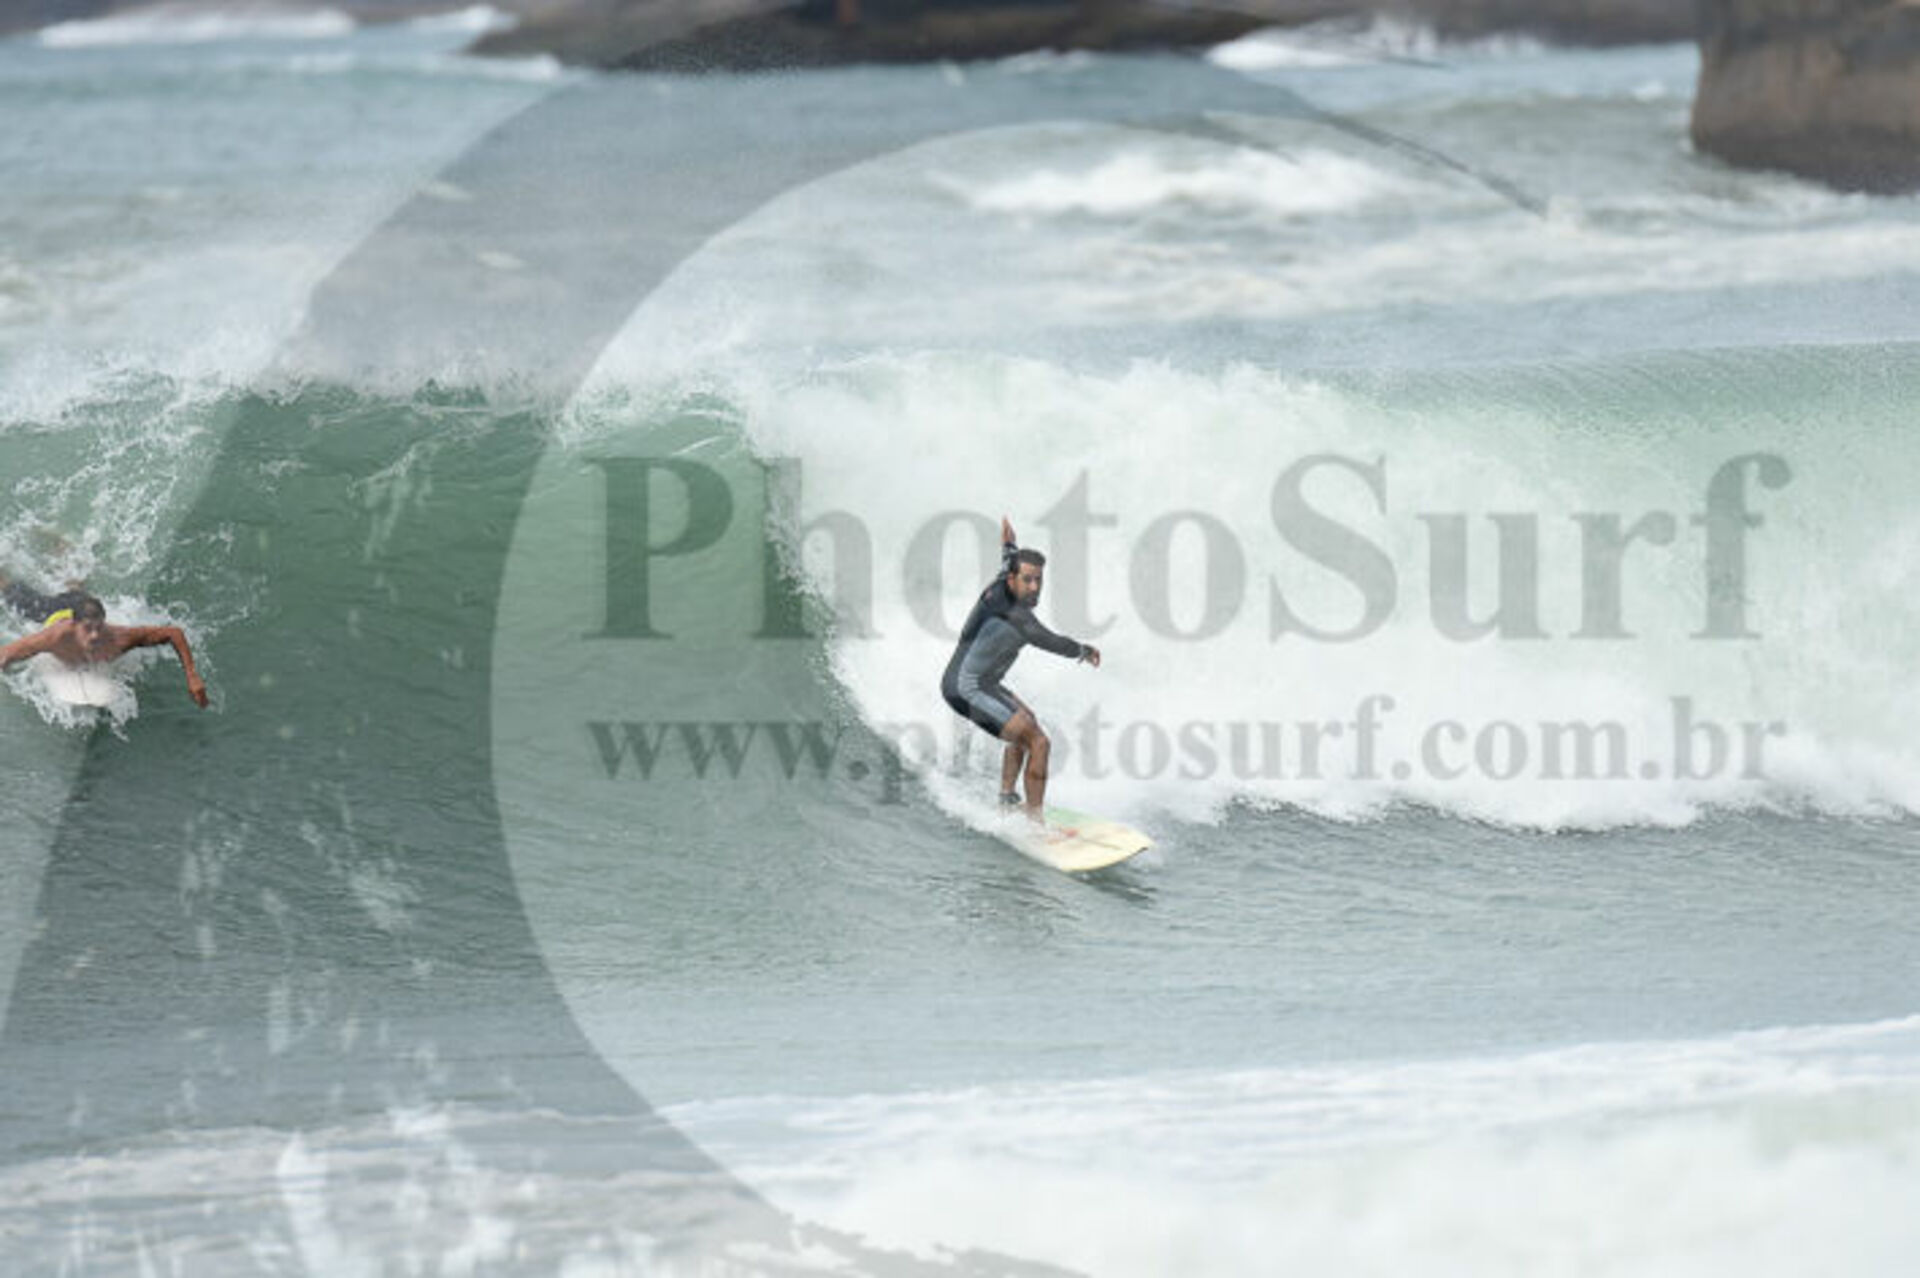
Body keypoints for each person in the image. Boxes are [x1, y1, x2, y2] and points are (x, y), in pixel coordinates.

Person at [941, 517, 1100, 819]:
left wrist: (1009, 542)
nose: (1034, 587)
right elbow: (1050, 641)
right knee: (1038, 742)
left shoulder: (1006, 576)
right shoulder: (1014, 614)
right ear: (1013, 580)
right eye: (1027, 580)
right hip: (965, 688)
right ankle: (1035, 822)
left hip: (984, 683)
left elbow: (1008, 557)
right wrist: (1083, 650)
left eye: (1039, 580)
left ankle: (1006, 798)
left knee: (1028, 722)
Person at [0, 573, 210, 708]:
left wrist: (192, 676)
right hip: (52, 611)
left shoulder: (118, 638)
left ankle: (66, 553)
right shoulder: (55, 637)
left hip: (82, 605)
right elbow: (8, 652)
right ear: (74, 625)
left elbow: (173, 633)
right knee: (12, 594)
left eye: (99, 628)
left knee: (77, 593)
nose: (95, 635)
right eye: (88, 629)